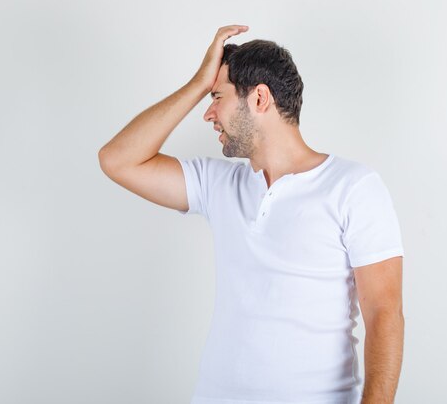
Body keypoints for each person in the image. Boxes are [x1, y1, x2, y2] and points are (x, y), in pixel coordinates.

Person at [98, 25, 405, 404]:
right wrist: (197, 83)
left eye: (216, 96)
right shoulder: (217, 184)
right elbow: (117, 159)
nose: (208, 113)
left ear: (260, 98)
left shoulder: (353, 187)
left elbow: (383, 314)